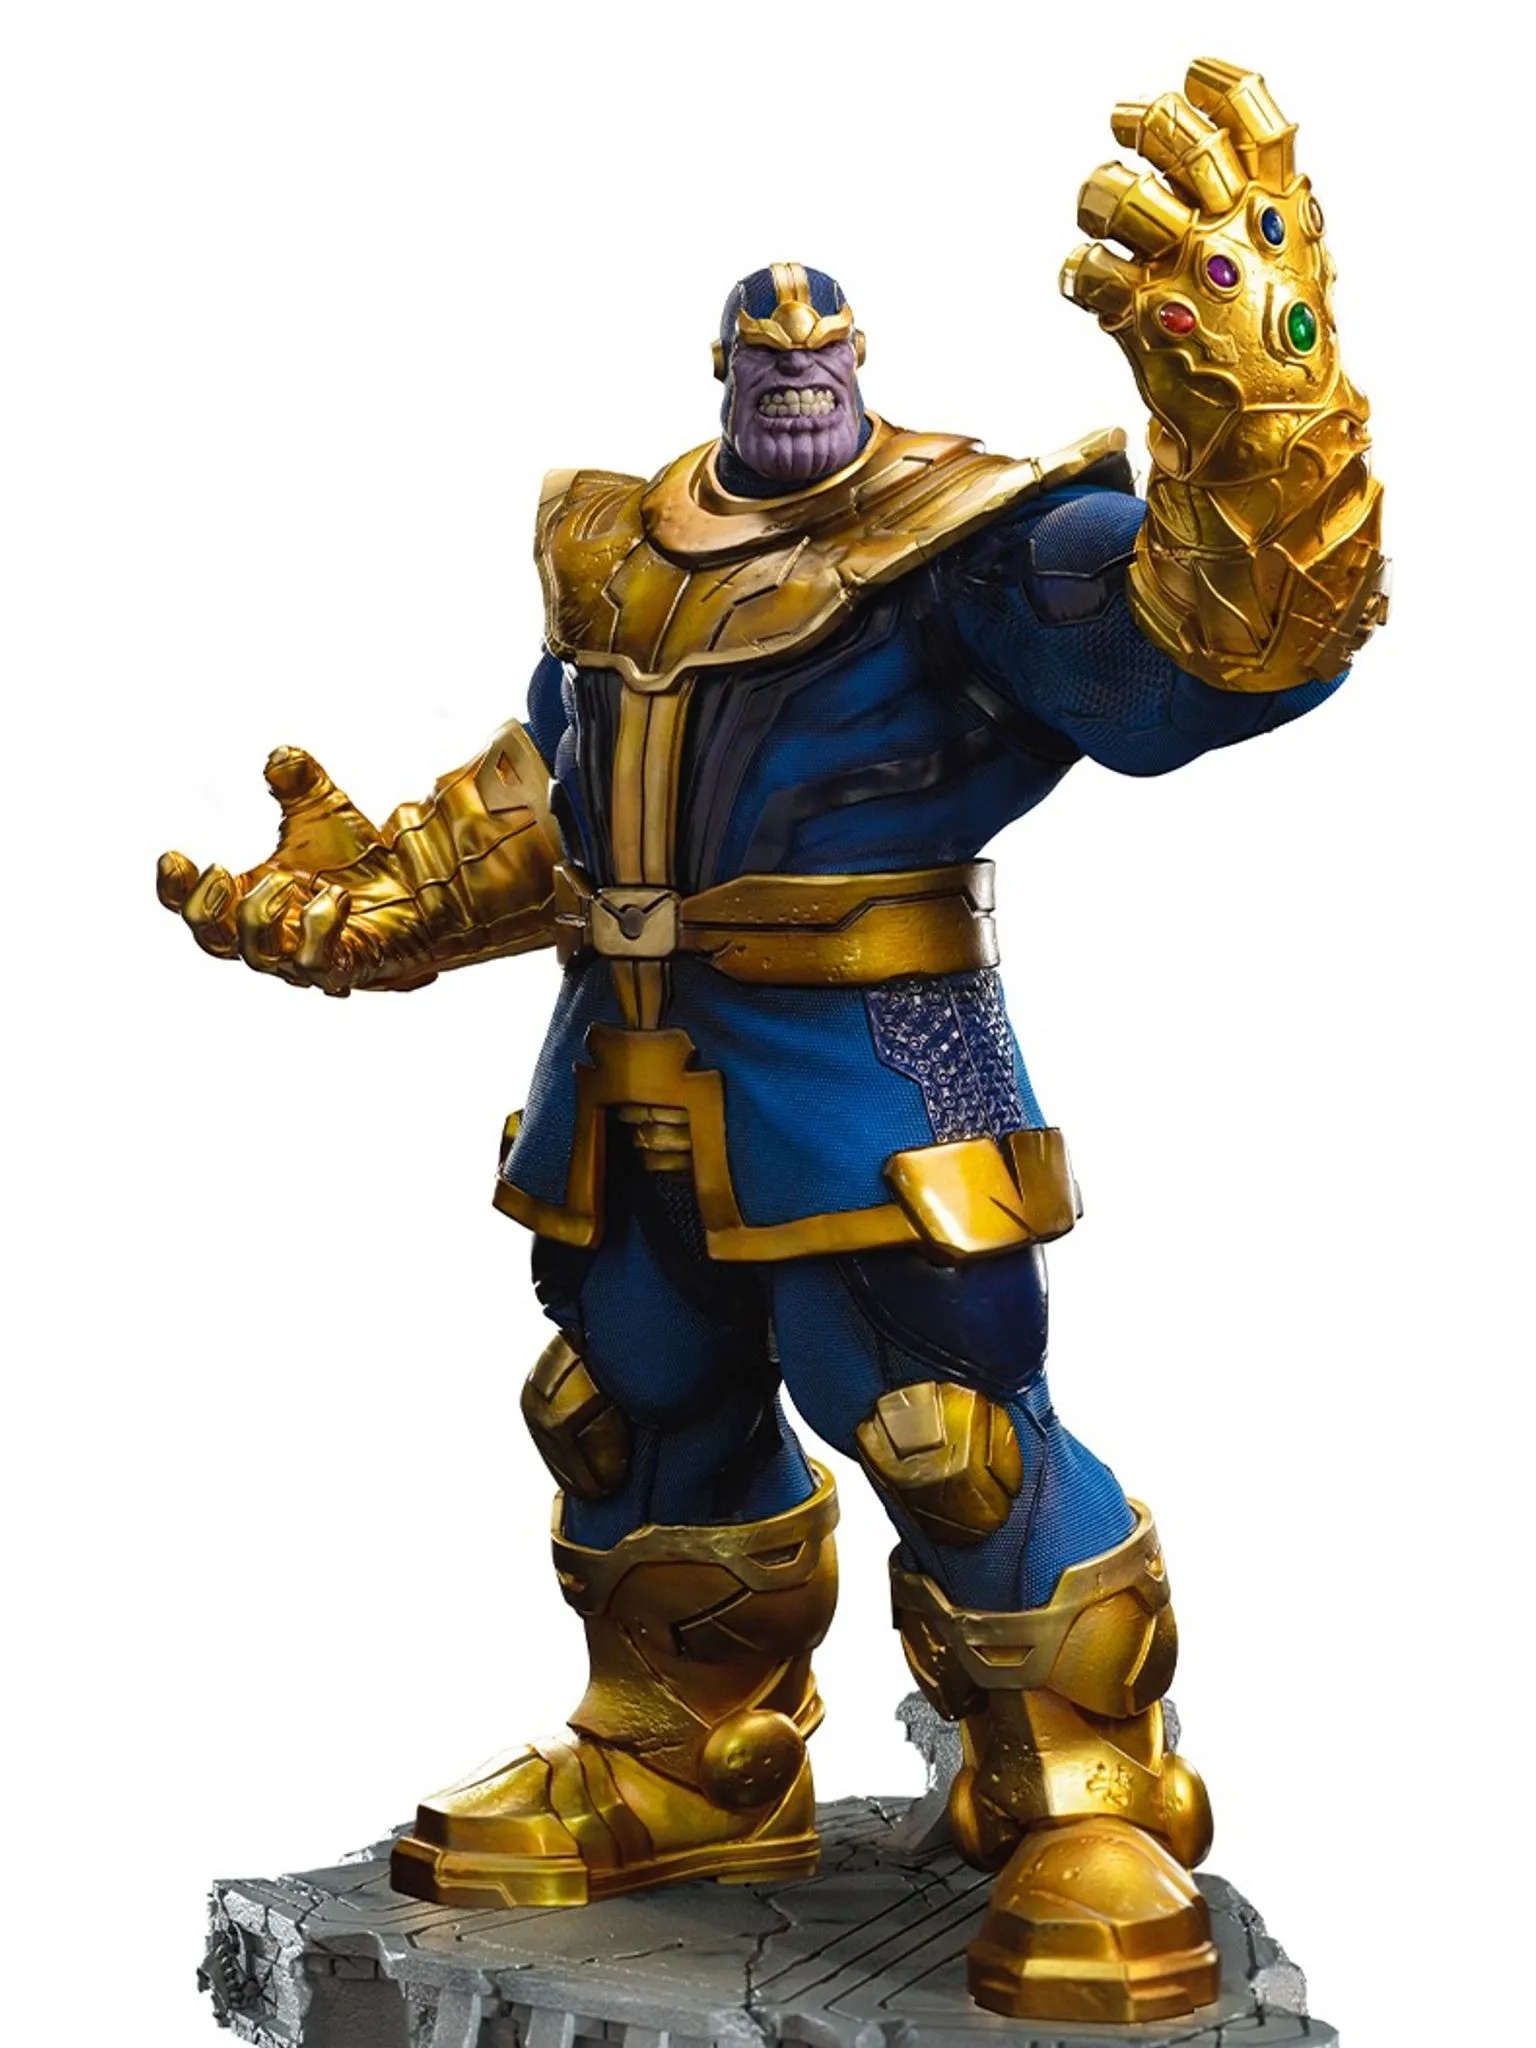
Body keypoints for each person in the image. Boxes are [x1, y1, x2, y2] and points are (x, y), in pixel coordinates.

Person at [158, 57, 1385, 2026]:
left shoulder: (965, 543)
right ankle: (682, 1759)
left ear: (855, 367)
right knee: (631, 1400)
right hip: (626, 1064)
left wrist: (1265, 400)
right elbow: (554, 790)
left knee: (941, 1421)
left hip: (871, 1072)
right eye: (763, 357)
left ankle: (1084, 1790)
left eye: (820, 354)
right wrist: (379, 891)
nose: (792, 374)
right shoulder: (628, 556)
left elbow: (1202, 659)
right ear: (727, 375)